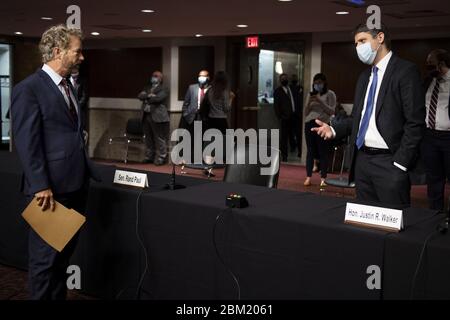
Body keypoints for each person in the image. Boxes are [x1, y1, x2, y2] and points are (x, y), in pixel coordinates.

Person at [11, 24, 100, 300]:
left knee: (62, 259)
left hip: (75, 184)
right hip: (49, 192)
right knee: (44, 262)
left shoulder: (69, 86)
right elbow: (28, 142)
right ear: (59, 51)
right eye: (78, 51)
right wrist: (40, 185)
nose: (82, 57)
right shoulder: (28, 89)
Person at [312, 23, 425, 208]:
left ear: (380, 38)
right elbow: (358, 118)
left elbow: (415, 122)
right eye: (356, 44)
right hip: (362, 161)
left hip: (390, 162)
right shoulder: (365, 77)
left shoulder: (405, 71)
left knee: (392, 226)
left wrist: (401, 163)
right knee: (366, 225)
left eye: (362, 41)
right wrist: (334, 129)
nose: (358, 48)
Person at [422, 49, 450, 211]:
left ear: (441, 64)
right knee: (433, 179)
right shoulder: (428, 81)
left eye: (430, 64)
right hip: (429, 136)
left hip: (448, 137)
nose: (427, 67)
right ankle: (435, 215)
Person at [303, 73, 336, 187]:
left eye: (320, 83)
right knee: (310, 151)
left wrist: (320, 101)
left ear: (324, 83)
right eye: (315, 83)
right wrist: (309, 103)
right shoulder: (310, 94)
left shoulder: (330, 94)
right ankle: (308, 177)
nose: (317, 85)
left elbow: (331, 111)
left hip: (323, 124)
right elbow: (306, 112)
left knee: (323, 151)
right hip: (309, 123)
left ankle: (323, 178)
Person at [199, 71, 235, 166]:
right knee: (225, 144)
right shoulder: (225, 92)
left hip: (211, 120)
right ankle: (223, 165)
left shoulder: (210, 90)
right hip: (221, 120)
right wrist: (231, 98)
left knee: (211, 144)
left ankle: (208, 164)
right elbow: (226, 109)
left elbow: (204, 105)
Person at [138, 71, 170, 166]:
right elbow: (140, 96)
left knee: (159, 138)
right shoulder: (147, 87)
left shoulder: (164, 88)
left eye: (156, 76)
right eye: (153, 76)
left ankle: (162, 157)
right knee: (148, 138)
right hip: (146, 115)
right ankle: (149, 157)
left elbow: (158, 99)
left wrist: (147, 97)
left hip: (158, 116)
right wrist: (149, 95)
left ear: (160, 79)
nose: (153, 77)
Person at [179, 70, 211, 163]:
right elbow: (186, 103)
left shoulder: (211, 89)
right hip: (191, 117)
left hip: (204, 118)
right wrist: (186, 114)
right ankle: (188, 159)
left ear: (208, 78)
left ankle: (199, 159)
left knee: (201, 139)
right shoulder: (192, 87)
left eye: (203, 76)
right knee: (189, 138)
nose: (201, 78)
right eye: (200, 76)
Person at [274, 73, 296, 162]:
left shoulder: (291, 89)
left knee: (293, 134)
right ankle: (284, 155)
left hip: (294, 116)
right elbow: (276, 106)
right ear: (280, 81)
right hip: (285, 118)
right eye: (282, 79)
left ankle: (294, 148)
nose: (284, 80)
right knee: (284, 137)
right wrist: (280, 116)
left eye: (285, 78)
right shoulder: (278, 91)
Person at [290, 74, 304, 158]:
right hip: (291, 115)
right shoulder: (289, 88)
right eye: (293, 78)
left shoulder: (301, 88)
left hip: (299, 115)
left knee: (299, 134)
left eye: (295, 78)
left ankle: (299, 150)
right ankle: (293, 147)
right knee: (291, 133)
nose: (294, 79)